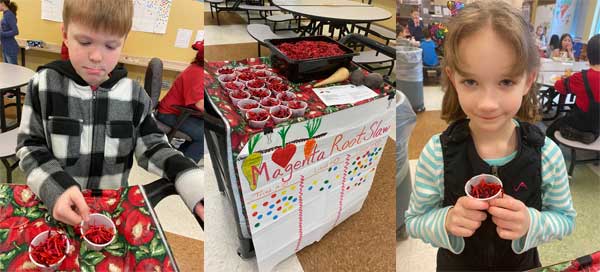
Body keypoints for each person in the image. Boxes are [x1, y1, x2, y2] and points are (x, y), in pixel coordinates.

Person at [404, 1, 576, 270]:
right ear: (452, 78)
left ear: (528, 81)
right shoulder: (437, 152)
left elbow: (565, 219)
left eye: (506, 82)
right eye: (471, 82)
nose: (487, 104)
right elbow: (415, 220)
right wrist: (446, 220)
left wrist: (532, 223)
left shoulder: (547, 154)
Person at [16, 0, 204, 226]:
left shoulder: (134, 96)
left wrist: (186, 174)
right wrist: (54, 188)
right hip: (57, 205)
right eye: (85, 41)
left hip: (109, 210)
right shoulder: (43, 85)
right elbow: (30, 146)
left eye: (111, 46)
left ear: (124, 41)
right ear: (65, 34)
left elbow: (154, 145)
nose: (96, 56)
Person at [546, 34, 600, 144]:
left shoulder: (580, 77)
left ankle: (580, 134)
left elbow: (559, 87)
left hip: (580, 122)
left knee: (551, 130)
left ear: (588, 55)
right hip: (597, 125)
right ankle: (593, 134)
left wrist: (565, 79)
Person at [156, 41, 204, 163]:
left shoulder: (196, 68)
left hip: (177, 111)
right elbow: (200, 105)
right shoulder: (198, 73)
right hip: (169, 114)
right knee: (205, 135)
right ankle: (184, 168)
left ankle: (181, 158)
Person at [0, 0, 18, 64]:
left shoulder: (9, 14)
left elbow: (16, 31)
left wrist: (1, 34)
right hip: (5, 47)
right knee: (7, 70)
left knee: (13, 71)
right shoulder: (5, 14)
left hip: (10, 48)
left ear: (2, 3)